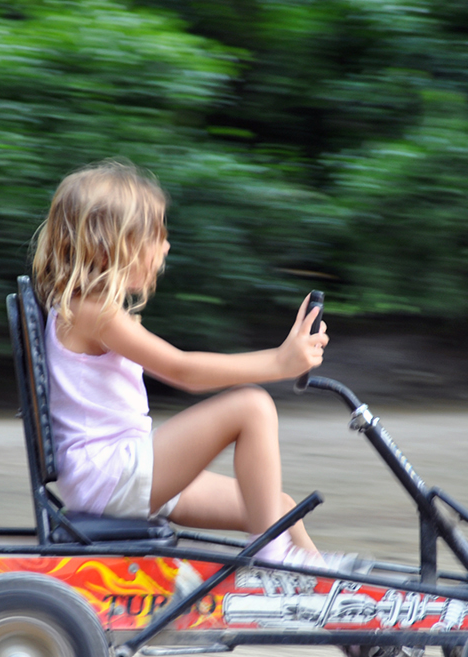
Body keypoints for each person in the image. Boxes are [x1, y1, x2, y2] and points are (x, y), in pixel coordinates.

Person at [30, 159, 357, 572]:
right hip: (113, 478)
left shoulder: (82, 309)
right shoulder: (93, 313)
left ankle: (337, 612)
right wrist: (280, 362)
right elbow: (182, 371)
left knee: (279, 508)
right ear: (114, 243)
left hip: (118, 475)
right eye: (157, 235)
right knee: (251, 407)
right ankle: (275, 563)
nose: (166, 247)